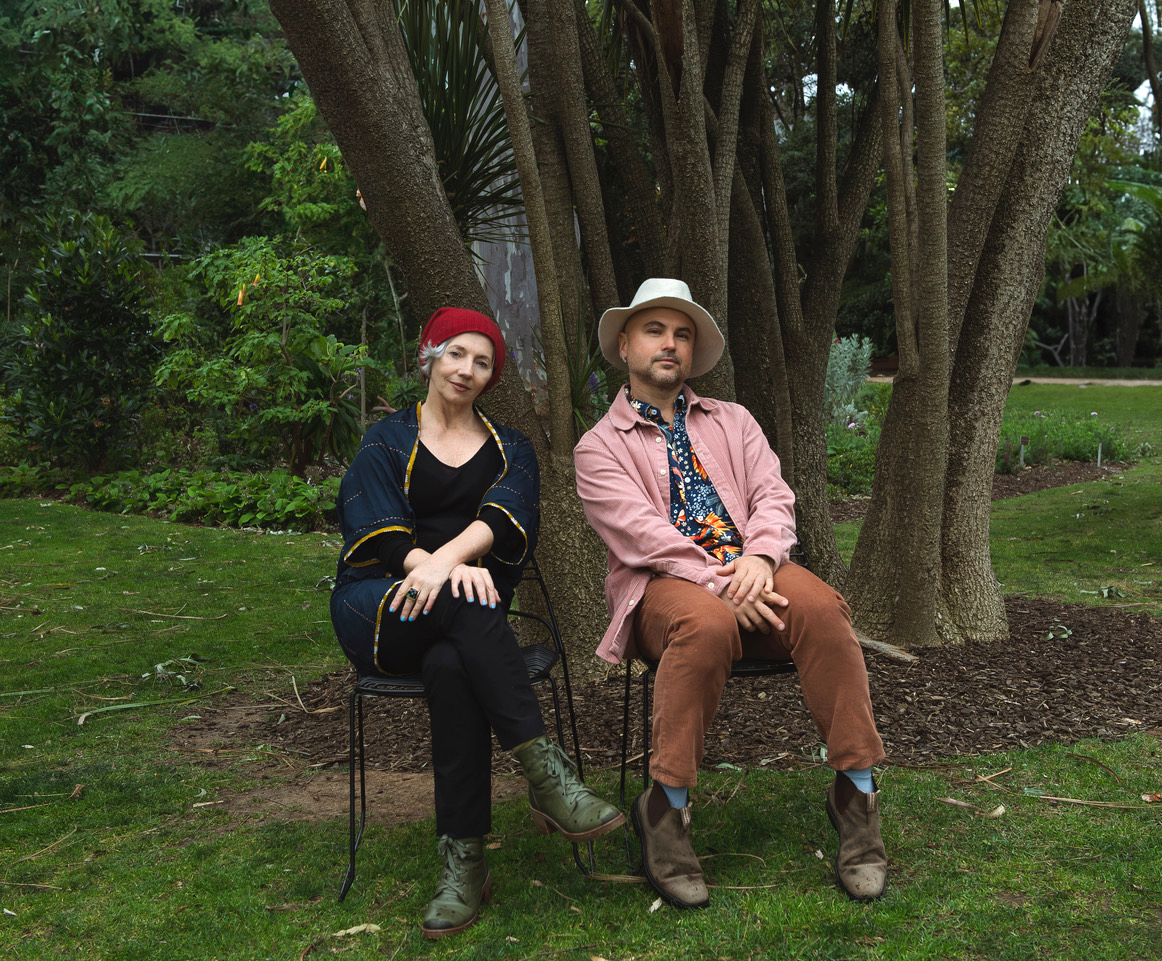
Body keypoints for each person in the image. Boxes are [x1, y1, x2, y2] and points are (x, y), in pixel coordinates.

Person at [573, 278, 887, 909]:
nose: (670, 344)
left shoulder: (734, 421)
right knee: (707, 625)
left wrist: (760, 559)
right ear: (625, 345)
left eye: (682, 334)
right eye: (656, 331)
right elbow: (644, 538)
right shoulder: (599, 447)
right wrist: (721, 583)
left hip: (752, 569)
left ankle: (857, 797)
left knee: (825, 612)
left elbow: (773, 495)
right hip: (666, 589)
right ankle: (665, 810)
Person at [332, 307, 625, 939]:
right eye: (456, 353)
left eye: (483, 361)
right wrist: (432, 569)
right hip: (382, 607)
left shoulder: (508, 446)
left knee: (451, 662)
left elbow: (509, 514)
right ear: (430, 355)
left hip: (463, 625)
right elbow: (374, 531)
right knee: (467, 600)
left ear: (491, 377)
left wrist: (452, 560)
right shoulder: (384, 439)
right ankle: (549, 779)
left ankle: (464, 863)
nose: (467, 369)